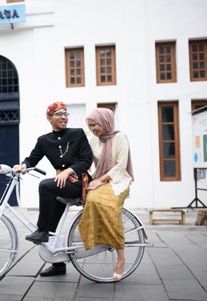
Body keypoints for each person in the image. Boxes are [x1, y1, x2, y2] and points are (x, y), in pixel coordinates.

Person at [13, 101, 92, 277]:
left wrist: (68, 172)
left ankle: (41, 230)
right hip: (61, 184)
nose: (64, 117)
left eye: (65, 114)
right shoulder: (43, 140)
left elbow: (87, 160)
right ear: (49, 118)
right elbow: (31, 159)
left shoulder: (77, 134)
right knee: (53, 228)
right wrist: (22, 166)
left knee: (45, 185)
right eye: (59, 114)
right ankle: (58, 265)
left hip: (78, 182)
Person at [78, 108, 134, 282]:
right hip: (100, 180)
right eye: (90, 125)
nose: (93, 128)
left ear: (105, 122)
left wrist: (100, 180)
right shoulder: (93, 140)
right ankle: (99, 236)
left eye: (95, 125)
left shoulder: (120, 137)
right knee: (92, 199)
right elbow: (85, 159)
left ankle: (121, 257)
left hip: (118, 180)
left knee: (107, 206)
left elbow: (121, 165)